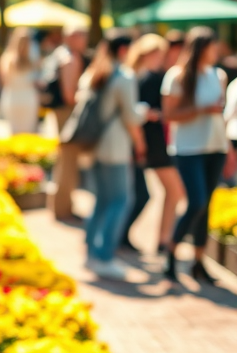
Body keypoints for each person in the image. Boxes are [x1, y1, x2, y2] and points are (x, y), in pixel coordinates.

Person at [161, 27, 228, 285]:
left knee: (207, 205)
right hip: (188, 149)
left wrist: (229, 149)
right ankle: (172, 250)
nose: (216, 51)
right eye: (212, 47)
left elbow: (220, 117)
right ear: (201, 48)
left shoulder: (217, 75)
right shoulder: (176, 76)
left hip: (215, 147)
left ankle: (199, 261)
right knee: (196, 202)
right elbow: (170, 115)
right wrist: (201, 110)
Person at [77, 34, 145, 280]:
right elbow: (131, 117)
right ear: (124, 49)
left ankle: (92, 253)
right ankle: (104, 256)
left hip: (92, 145)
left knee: (102, 200)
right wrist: (140, 142)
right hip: (115, 147)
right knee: (120, 200)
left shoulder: (93, 73)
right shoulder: (123, 76)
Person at [120, 34, 184, 256]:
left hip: (148, 143)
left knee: (158, 193)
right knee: (165, 192)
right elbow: (138, 113)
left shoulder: (138, 76)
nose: (161, 57)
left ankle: (161, 239)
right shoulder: (149, 78)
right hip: (151, 144)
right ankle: (161, 239)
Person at [44, 25, 88, 221]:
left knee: (64, 159)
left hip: (60, 112)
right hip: (67, 113)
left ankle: (62, 205)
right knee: (68, 161)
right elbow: (70, 95)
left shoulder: (60, 54)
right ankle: (63, 208)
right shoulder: (70, 58)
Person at [0, 27, 40, 136]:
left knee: (20, 132)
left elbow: (4, 80)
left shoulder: (8, 58)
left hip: (19, 98)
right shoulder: (10, 59)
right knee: (25, 132)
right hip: (20, 98)